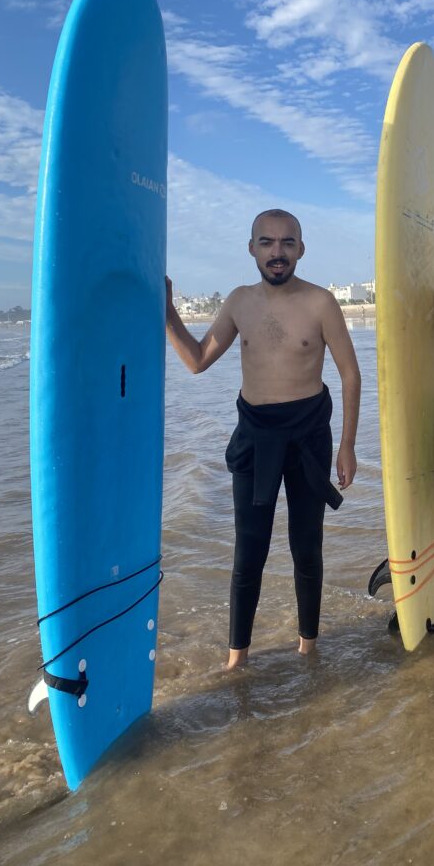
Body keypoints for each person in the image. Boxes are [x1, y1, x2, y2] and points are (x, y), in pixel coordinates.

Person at [165, 209, 361, 667]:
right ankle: (238, 658)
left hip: (309, 435)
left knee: (305, 546)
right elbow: (196, 360)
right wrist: (167, 310)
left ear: (301, 249)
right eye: (268, 242)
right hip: (255, 436)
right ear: (252, 248)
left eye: (287, 243)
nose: (278, 252)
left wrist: (346, 445)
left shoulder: (321, 303)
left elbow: (350, 375)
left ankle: (308, 649)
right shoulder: (238, 302)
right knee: (248, 550)